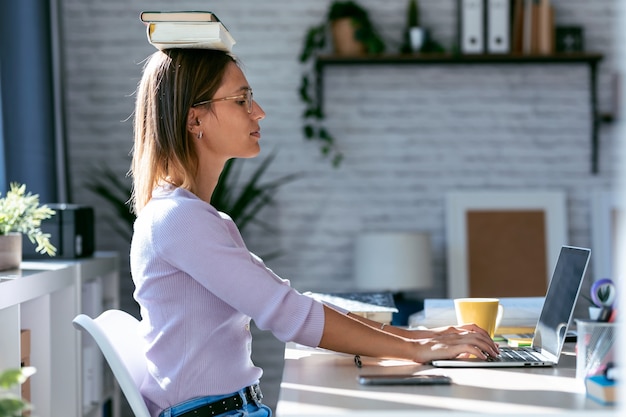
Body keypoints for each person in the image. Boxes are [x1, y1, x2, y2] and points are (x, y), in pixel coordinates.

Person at [129, 48, 500, 417]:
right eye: (242, 100)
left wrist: (423, 338)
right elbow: (289, 313)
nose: (258, 112)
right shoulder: (179, 219)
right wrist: (417, 350)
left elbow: (289, 301)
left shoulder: (198, 218)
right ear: (196, 120)